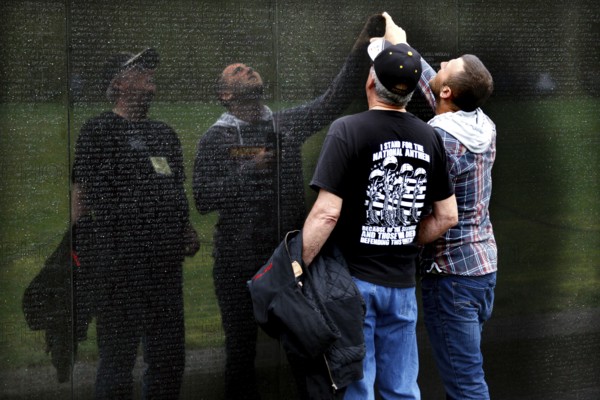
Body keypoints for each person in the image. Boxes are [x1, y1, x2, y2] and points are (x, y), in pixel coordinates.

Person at [192, 15, 384, 400]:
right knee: (241, 352)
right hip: (237, 262)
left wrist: (361, 46)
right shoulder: (215, 138)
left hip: (288, 256)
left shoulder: (285, 124)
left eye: (249, 67)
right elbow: (203, 198)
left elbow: (332, 100)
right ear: (226, 95)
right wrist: (251, 168)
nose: (249, 69)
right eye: (238, 70)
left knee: (306, 346)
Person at [300, 36, 458, 399]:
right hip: (402, 285)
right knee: (402, 388)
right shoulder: (428, 135)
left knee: (358, 388)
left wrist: (299, 267)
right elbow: (447, 215)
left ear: (371, 81)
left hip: (353, 284)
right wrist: (405, 237)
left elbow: (326, 213)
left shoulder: (347, 129)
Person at [381, 12, 498, 400]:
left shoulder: (439, 140)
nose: (441, 64)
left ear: (447, 93)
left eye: (447, 67)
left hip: (451, 278)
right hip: (483, 270)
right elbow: (431, 82)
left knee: (466, 386)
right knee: (460, 375)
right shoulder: (480, 123)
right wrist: (396, 39)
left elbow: (432, 211)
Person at [72, 48, 198, 399]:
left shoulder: (164, 134)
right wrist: (84, 248)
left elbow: (174, 188)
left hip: (165, 266)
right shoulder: (98, 130)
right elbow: (80, 193)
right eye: (138, 68)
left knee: (169, 359)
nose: (149, 72)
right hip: (119, 268)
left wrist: (186, 229)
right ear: (118, 83)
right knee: (117, 362)